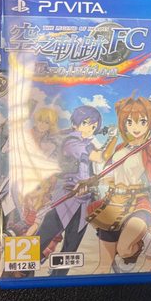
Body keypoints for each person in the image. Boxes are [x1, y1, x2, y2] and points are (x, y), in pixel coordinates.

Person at [88, 96, 151, 274]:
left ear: (150, 122)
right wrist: (91, 182)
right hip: (113, 202)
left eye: (142, 121)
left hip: (138, 201)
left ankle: (138, 248)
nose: (135, 127)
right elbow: (109, 175)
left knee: (124, 249)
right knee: (103, 267)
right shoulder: (120, 148)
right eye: (130, 122)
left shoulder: (149, 147)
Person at [35, 105, 103, 275]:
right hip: (66, 199)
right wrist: (114, 139)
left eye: (94, 125)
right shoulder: (71, 142)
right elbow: (98, 157)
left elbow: (97, 167)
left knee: (70, 249)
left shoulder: (89, 144)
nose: (90, 128)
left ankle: (57, 280)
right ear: (75, 124)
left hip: (83, 203)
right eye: (86, 123)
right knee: (42, 238)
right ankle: (21, 273)